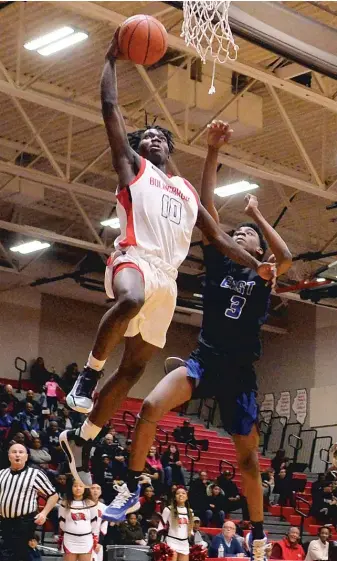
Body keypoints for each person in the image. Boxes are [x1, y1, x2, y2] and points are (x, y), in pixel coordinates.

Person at [60, 35, 275, 485]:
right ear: (138, 149)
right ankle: (87, 376)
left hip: (169, 280)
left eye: (162, 136)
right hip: (134, 258)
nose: (154, 138)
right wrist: (110, 58)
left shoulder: (183, 190)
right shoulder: (132, 168)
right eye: (148, 136)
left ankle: (84, 435)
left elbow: (216, 235)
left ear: (170, 150)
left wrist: (254, 265)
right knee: (131, 299)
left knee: (136, 369)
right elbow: (109, 110)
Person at [98, 120, 291, 558]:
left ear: (258, 249)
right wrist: (210, 152)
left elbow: (286, 256)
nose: (239, 234)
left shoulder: (264, 275)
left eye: (248, 236)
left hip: (240, 375)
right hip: (205, 359)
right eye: (238, 232)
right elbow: (207, 214)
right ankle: (130, 485)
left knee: (247, 461)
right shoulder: (223, 264)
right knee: (149, 407)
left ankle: (258, 532)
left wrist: (259, 216)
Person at [0, 442, 58, 561]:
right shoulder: (2, 474)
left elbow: (53, 495)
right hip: (5, 521)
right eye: (14, 452)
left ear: (26, 457)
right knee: (8, 552)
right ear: (9, 456)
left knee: (18, 552)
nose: (17, 455)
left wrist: (44, 513)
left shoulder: (35, 474)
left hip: (24, 521)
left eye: (21, 452)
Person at [58, 479, 99, 561]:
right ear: (71, 488)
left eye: (81, 486)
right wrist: (71, 530)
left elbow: (94, 523)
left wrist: (90, 535)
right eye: (75, 486)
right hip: (70, 539)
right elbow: (61, 522)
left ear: (85, 488)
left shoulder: (91, 504)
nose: (78, 488)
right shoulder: (64, 503)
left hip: (86, 540)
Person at [159, 487, 193, 561]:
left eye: (183, 493)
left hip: (184, 543)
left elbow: (191, 530)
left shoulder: (190, 511)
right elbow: (160, 527)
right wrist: (160, 544)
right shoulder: (168, 509)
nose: (181, 495)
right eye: (178, 493)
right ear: (174, 497)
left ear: (187, 496)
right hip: (172, 542)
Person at [90, 484, 108, 561]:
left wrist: (100, 542)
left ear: (100, 492)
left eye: (98, 488)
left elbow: (104, 526)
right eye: (93, 488)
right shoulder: (82, 505)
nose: (95, 490)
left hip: (97, 539)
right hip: (82, 537)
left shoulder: (104, 507)